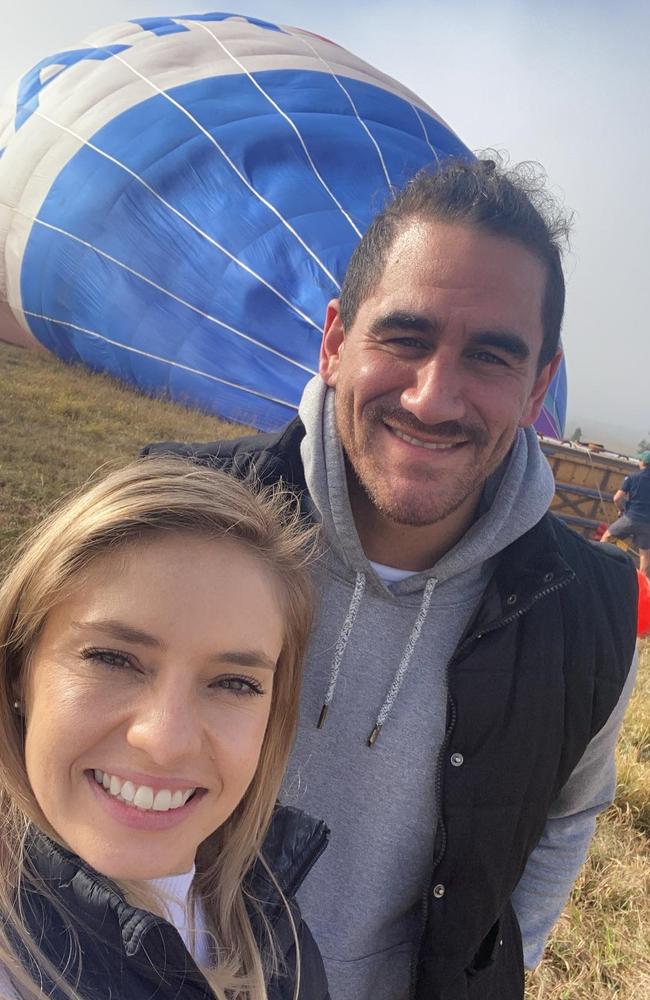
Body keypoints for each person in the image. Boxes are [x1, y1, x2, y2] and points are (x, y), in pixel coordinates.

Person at [143, 158, 638, 1000]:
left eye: (490, 357)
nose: (434, 397)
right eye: (405, 337)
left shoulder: (589, 609)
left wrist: (506, 966)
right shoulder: (179, 520)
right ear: (335, 341)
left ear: (538, 388)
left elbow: (566, 814)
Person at [0, 457, 329, 1000]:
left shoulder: (272, 922)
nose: (165, 741)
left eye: (233, 683)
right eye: (111, 658)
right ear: (18, 670)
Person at [600, 450, 650, 577]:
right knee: (644, 556)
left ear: (643, 462)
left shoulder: (632, 477)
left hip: (630, 518)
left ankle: (598, 564)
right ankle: (642, 584)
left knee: (606, 538)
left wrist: (621, 510)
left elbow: (616, 498)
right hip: (647, 524)